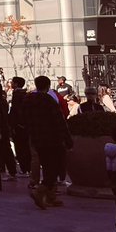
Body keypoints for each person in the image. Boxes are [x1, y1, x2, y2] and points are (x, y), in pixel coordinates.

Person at [25, 76, 73, 210]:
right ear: (47, 86)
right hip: (52, 138)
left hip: (36, 138)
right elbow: (59, 121)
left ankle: (51, 196)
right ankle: (41, 191)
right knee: (55, 167)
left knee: (46, 165)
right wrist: (68, 140)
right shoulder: (49, 100)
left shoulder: (28, 100)